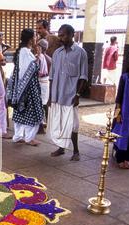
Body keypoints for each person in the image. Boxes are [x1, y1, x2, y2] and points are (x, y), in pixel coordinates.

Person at [47, 24, 88, 161]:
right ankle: (61, 148)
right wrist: (50, 96)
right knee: (59, 123)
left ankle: (76, 151)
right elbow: (51, 77)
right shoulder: (56, 53)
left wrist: (77, 95)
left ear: (72, 35)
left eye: (63, 35)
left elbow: (83, 77)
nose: (60, 38)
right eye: (59, 35)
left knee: (72, 124)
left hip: (70, 96)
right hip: (57, 96)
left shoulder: (80, 53)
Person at [7, 29, 44, 146]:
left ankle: (18, 136)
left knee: (21, 111)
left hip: (22, 87)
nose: (36, 39)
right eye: (34, 37)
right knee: (32, 111)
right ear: (30, 39)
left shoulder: (25, 51)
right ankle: (28, 138)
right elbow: (27, 70)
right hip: (27, 87)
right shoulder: (24, 51)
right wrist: (37, 58)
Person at [37, 39, 50, 134]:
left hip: (42, 82)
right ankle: (45, 123)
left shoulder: (40, 58)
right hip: (46, 82)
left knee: (41, 104)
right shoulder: (49, 58)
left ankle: (41, 126)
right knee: (44, 104)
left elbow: (40, 73)